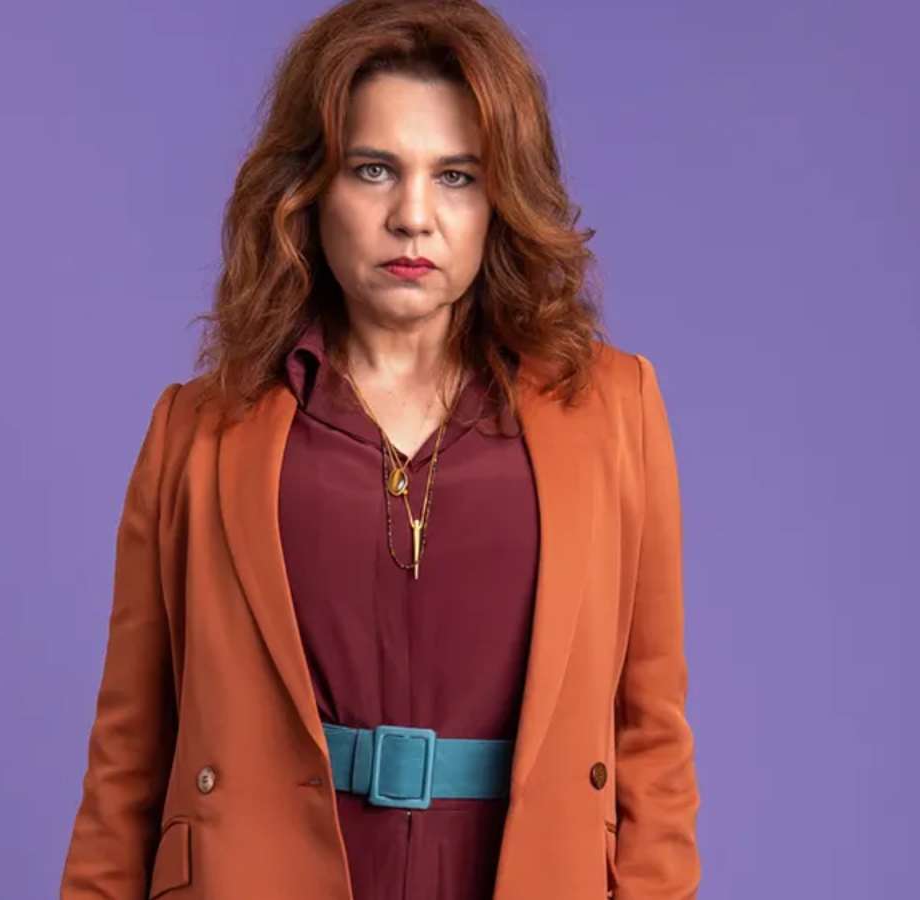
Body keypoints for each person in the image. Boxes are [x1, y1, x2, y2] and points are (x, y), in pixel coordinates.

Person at [59, 1, 701, 898]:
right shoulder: (199, 433)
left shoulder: (612, 411)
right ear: (308, 189)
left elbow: (652, 739)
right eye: (374, 170)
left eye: (457, 176)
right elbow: (126, 761)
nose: (413, 217)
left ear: (501, 199)